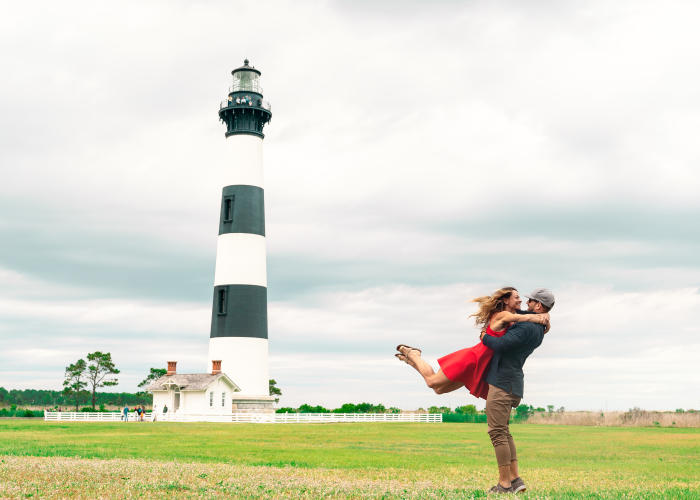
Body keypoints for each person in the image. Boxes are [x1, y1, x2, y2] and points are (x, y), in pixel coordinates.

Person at [395, 287, 549, 398]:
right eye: (516, 297)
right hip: (472, 359)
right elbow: (522, 318)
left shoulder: (515, 313)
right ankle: (414, 355)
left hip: (482, 364)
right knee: (432, 382)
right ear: (506, 300)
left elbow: (526, 320)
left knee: (439, 390)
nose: (521, 300)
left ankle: (410, 360)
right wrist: (538, 317)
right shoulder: (502, 315)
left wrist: (546, 322)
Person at [480, 288, 555, 494]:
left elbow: (501, 345)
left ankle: (504, 484)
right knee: (504, 431)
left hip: (503, 384)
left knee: (497, 433)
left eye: (530, 301)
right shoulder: (536, 327)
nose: (525, 303)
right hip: (513, 384)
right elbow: (520, 316)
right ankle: (515, 479)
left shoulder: (527, 329)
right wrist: (543, 318)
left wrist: (484, 336)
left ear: (538, 305)